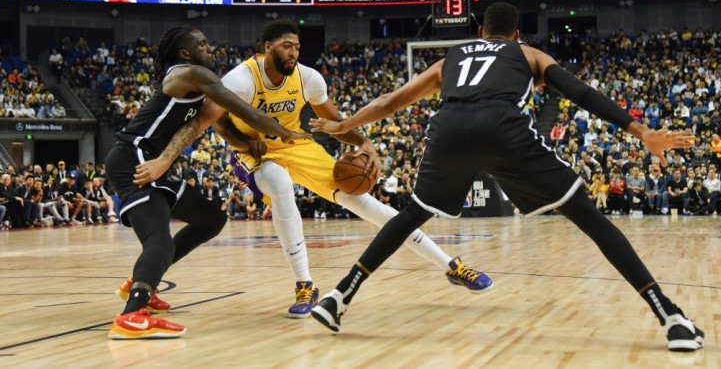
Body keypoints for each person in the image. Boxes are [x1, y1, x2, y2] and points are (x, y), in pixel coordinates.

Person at [308, 2, 703, 352]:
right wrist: (642, 132)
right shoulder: (526, 52)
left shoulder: (452, 57)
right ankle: (670, 317)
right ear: (516, 34)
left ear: (479, 32)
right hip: (504, 128)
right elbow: (580, 93)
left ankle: (339, 296)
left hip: (449, 129)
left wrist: (346, 125)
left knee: (411, 215)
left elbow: (390, 101)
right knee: (589, 217)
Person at [135, 19, 491, 320]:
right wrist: (243, 144)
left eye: (297, 47)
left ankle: (452, 266)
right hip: (255, 153)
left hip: (297, 144)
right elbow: (215, 123)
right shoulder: (241, 78)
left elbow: (337, 121)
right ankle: (305, 284)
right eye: (287, 46)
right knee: (279, 182)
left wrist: (364, 143)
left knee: (365, 203)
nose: (294, 52)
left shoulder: (309, 78)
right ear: (267, 47)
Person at [105, 26, 309, 340]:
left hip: (154, 161)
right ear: (185, 53)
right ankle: (132, 314)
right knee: (158, 241)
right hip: (133, 158)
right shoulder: (191, 74)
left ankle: (142, 282)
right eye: (201, 44)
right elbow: (243, 108)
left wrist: (242, 140)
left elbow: (213, 123)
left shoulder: (195, 80)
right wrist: (285, 132)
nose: (210, 47)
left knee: (211, 219)